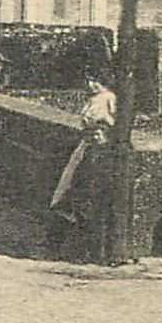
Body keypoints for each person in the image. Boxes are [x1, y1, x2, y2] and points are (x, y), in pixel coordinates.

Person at [50, 77, 118, 223]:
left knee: (86, 181)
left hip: (99, 146)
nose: (91, 85)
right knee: (73, 177)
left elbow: (111, 122)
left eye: (96, 82)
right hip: (88, 144)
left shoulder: (109, 98)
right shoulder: (95, 99)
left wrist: (101, 131)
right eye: (89, 81)